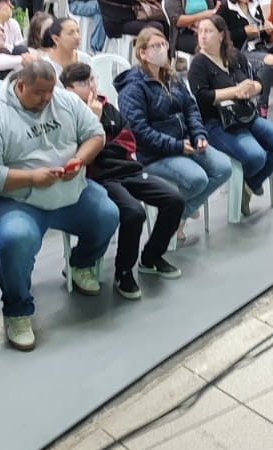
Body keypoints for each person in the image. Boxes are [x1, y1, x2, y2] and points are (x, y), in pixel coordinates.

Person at [0, 62, 117, 350]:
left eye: (50, 91)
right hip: (18, 199)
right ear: (19, 86)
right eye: (38, 93)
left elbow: (96, 134)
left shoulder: (66, 100)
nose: (47, 99)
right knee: (15, 240)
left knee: (107, 214)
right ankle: (17, 310)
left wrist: (79, 160)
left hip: (68, 191)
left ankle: (80, 264)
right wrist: (31, 178)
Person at [59, 62, 184, 301]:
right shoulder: (66, 116)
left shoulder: (107, 107)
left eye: (92, 80)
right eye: (84, 83)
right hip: (99, 178)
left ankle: (151, 257)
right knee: (134, 212)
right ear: (67, 90)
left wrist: (102, 146)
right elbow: (78, 154)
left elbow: (127, 141)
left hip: (128, 170)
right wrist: (93, 124)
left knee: (174, 200)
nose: (92, 86)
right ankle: (123, 271)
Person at [115, 26, 234, 226]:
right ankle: (175, 215)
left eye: (164, 44)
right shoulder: (133, 88)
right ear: (142, 53)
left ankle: (179, 215)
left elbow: (191, 108)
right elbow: (139, 131)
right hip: (155, 153)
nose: (162, 49)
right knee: (197, 179)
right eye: (155, 46)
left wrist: (198, 134)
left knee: (224, 167)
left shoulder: (171, 76)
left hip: (185, 141)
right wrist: (176, 146)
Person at [188, 14, 273, 214]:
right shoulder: (198, 64)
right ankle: (251, 183)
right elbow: (201, 97)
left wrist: (253, 87)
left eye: (208, 31)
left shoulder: (234, 55)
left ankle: (250, 183)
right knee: (256, 156)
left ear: (221, 35)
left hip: (244, 114)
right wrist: (235, 91)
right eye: (200, 32)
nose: (202, 36)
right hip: (217, 122)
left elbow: (249, 81)